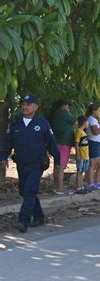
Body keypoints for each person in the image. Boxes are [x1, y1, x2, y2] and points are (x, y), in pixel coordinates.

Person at [1, 94, 60, 232]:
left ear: (35, 107)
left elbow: (52, 143)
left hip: (37, 164)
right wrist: (3, 157)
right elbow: (8, 142)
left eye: (28, 104)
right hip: (21, 163)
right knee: (24, 191)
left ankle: (23, 221)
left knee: (29, 190)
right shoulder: (16, 123)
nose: (24, 106)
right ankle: (39, 217)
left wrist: (58, 162)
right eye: (23, 104)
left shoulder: (42, 123)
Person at [50, 100, 76, 195]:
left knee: (57, 165)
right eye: (68, 106)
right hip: (64, 143)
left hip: (58, 141)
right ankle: (60, 189)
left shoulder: (56, 113)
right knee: (61, 166)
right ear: (64, 106)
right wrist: (68, 111)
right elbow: (74, 121)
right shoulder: (63, 113)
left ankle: (57, 186)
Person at [85, 103, 100, 190]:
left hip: (98, 144)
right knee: (93, 164)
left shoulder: (94, 120)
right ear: (93, 111)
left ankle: (97, 182)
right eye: (98, 110)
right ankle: (90, 183)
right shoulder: (91, 120)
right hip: (94, 143)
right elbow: (96, 132)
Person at [74, 116, 89, 195]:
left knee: (82, 171)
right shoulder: (79, 131)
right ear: (84, 122)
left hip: (86, 155)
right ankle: (78, 187)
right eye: (87, 122)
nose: (88, 124)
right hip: (81, 155)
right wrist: (78, 154)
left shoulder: (84, 132)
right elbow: (76, 143)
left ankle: (82, 186)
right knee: (79, 171)